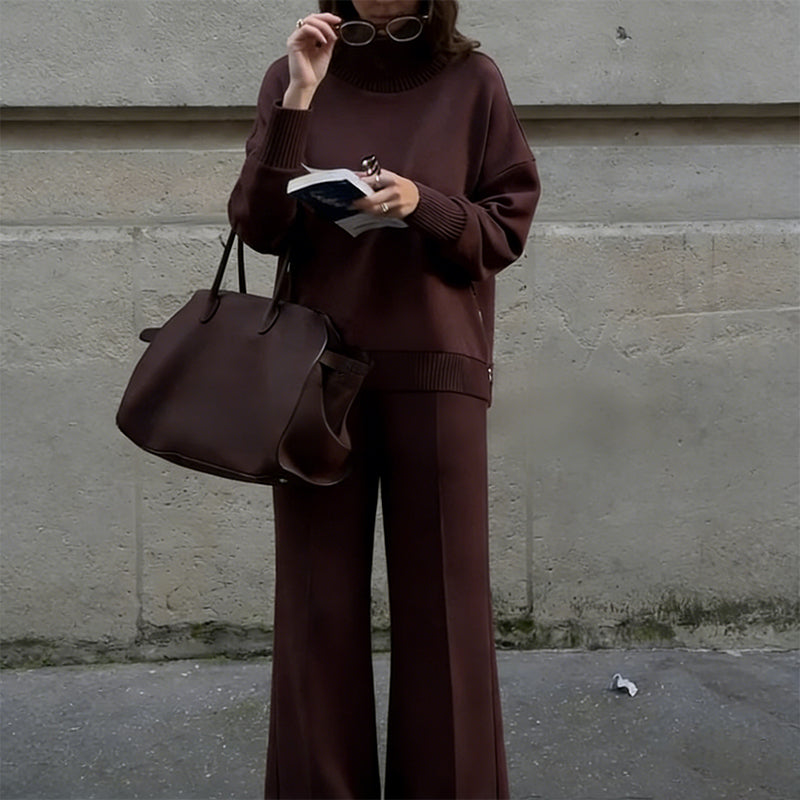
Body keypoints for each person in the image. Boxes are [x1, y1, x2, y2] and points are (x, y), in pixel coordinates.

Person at [228, 1, 540, 797]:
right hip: (313, 374)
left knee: (447, 614)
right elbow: (258, 225)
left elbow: (505, 228)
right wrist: (300, 94)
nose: (386, 8)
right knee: (315, 608)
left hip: (437, 372)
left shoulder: (473, 81)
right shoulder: (293, 78)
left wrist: (420, 203)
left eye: (403, 8)